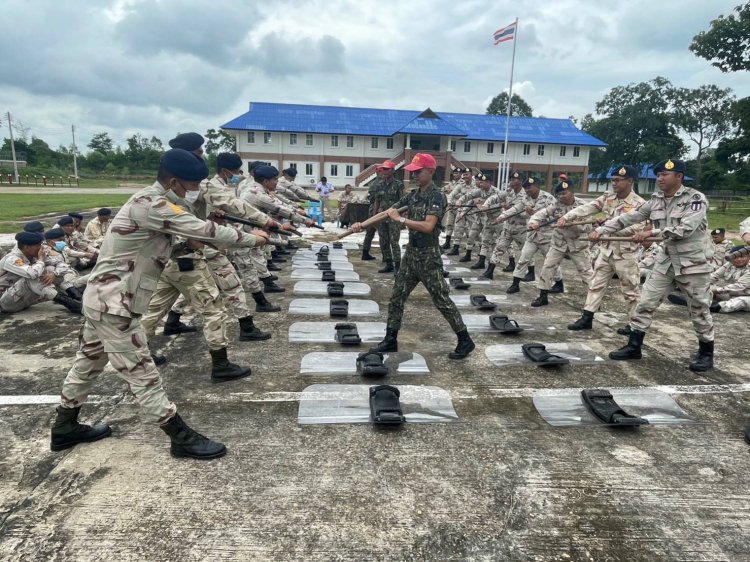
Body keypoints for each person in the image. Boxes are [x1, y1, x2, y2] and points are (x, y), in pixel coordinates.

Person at [50, 148, 268, 460]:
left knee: (88, 363)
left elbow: (171, 244)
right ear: (175, 182)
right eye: (191, 186)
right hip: (114, 304)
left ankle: (64, 427)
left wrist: (195, 238)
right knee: (143, 373)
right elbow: (201, 229)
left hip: (105, 300)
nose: (195, 191)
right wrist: (252, 238)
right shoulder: (151, 203)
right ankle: (178, 435)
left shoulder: (156, 206)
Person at [592, 159, 715, 371]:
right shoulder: (656, 200)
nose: (660, 178)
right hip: (666, 261)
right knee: (645, 303)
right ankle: (634, 346)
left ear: (679, 176)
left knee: (699, 309)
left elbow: (685, 228)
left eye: (665, 175)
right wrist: (602, 231)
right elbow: (631, 217)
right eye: (658, 175)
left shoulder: (695, 199)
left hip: (693, 263)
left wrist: (650, 233)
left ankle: (706, 353)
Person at [351, 153, 475, 359]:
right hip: (411, 254)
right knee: (396, 297)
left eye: (418, 172)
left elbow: (428, 226)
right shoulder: (413, 195)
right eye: (412, 172)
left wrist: (400, 220)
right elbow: (386, 212)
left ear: (431, 171)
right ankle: (390, 339)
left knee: (441, 299)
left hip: (428, 256)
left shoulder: (437, 196)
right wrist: (361, 225)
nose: (415, 176)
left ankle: (465, 340)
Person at [561, 165, 646, 332]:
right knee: (595, 284)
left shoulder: (639, 204)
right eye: (612, 180)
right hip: (606, 250)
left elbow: (638, 228)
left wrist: (606, 227)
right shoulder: (608, 198)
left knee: (631, 290)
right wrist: (567, 216)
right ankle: (587, 318)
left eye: (618, 180)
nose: (614, 183)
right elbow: (587, 208)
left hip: (625, 253)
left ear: (630, 181)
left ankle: (635, 325)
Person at [526, 180, 593, 307]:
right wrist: (533, 222)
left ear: (572, 192)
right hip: (559, 243)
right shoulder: (556, 204)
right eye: (559, 194)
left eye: (564, 193)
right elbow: (542, 213)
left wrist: (571, 224)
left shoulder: (583, 206)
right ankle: (543, 296)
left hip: (578, 244)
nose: (562, 196)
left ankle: (593, 300)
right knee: (548, 267)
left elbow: (587, 228)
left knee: (586, 272)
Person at [502, 177, 561, 294]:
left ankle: (559, 283)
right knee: (523, 258)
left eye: (529, 187)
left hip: (546, 235)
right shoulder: (526, 198)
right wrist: (503, 215)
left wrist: (533, 213)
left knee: (550, 261)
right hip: (532, 235)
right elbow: (516, 208)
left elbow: (556, 217)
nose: (527, 190)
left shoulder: (549, 198)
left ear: (537, 186)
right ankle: (515, 284)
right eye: (525, 188)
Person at [0, 231, 81, 314]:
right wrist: (41, 260)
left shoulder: (34, 255)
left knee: (52, 269)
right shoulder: (11, 259)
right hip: (5, 302)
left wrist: (54, 274)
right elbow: (32, 274)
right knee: (32, 277)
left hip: (23, 299)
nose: (41, 248)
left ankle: (76, 296)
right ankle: (70, 304)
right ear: (26, 247)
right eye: (38, 245)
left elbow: (63, 264)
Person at [479, 171, 527, 278]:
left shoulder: (525, 195)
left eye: (515, 180)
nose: (512, 182)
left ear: (521, 181)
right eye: (511, 180)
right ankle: (489, 272)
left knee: (526, 251)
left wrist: (509, 209)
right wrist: (486, 204)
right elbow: (495, 197)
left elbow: (525, 213)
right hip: (508, 227)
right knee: (499, 248)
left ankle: (530, 272)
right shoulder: (509, 192)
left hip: (521, 228)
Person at [369, 160, 405, 273]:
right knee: (383, 241)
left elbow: (403, 202)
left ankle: (398, 266)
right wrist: (374, 217)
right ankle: (389, 264)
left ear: (393, 170)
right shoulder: (379, 184)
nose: (384, 171)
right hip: (382, 217)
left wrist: (402, 219)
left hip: (394, 218)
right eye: (383, 169)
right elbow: (377, 201)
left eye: (386, 169)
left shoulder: (399, 185)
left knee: (394, 242)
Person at [41, 227, 88, 303]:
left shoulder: (59, 249)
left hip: (72, 278)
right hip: (66, 283)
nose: (63, 242)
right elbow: (59, 267)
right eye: (60, 240)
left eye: (63, 240)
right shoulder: (46, 252)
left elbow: (68, 256)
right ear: (49, 241)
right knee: (92, 278)